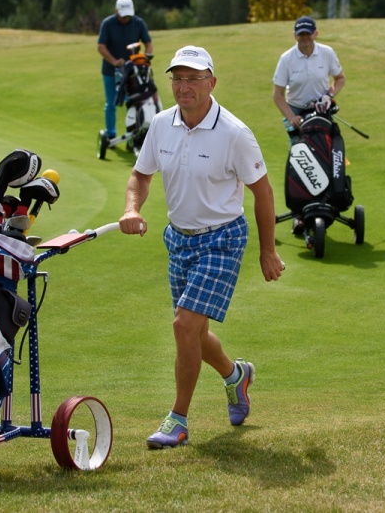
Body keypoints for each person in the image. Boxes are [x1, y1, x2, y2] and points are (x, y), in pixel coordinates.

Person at [119, 45, 285, 449]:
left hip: (223, 239)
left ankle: (178, 420)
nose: (184, 86)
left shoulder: (235, 133)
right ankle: (235, 375)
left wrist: (268, 251)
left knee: (183, 326)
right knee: (195, 333)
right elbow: (140, 175)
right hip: (178, 239)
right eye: (177, 78)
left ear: (212, 82)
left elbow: (262, 193)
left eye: (194, 78)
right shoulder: (160, 124)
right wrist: (131, 207)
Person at [272, 15, 346, 233]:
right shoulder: (287, 59)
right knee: (301, 161)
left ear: (316, 34)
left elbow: (340, 78)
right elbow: (277, 95)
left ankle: (325, 202)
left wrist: (330, 94)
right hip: (296, 113)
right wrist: (291, 117)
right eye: (301, 35)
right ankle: (299, 214)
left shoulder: (327, 53)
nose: (305, 39)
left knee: (325, 158)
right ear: (295, 35)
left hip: (321, 111)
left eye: (308, 34)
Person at [97, 0, 153, 141]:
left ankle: (132, 135)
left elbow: (148, 43)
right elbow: (101, 46)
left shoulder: (138, 23)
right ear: (116, 11)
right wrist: (114, 61)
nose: (126, 18)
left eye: (128, 14)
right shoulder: (108, 24)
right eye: (123, 15)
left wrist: (145, 58)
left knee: (133, 102)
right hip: (111, 71)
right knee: (111, 103)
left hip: (132, 72)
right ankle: (110, 134)